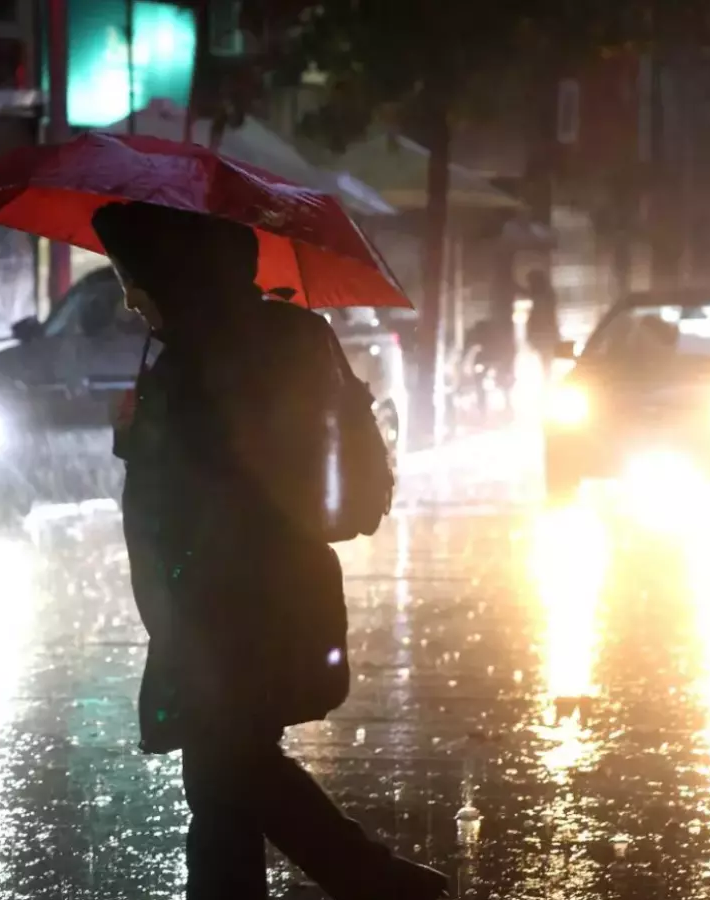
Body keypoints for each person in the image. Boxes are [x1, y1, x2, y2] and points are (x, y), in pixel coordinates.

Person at [97, 201, 447, 900]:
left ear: (174, 275)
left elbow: (192, 493)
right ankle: (369, 880)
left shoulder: (194, 364)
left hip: (220, 605)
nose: (131, 301)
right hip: (286, 592)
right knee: (226, 769)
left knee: (228, 766)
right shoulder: (292, 337)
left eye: (134, 281)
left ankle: (374, 880)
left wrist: (138, 437)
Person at [523, 269, 560, 378]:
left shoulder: (541, 299)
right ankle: (547, 383)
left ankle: (547, 384)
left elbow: (540, 317)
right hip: (545, 335)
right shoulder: (546, 297)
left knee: (546, 361)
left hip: (543, 335)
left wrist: (530, 335)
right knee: (546, 362)